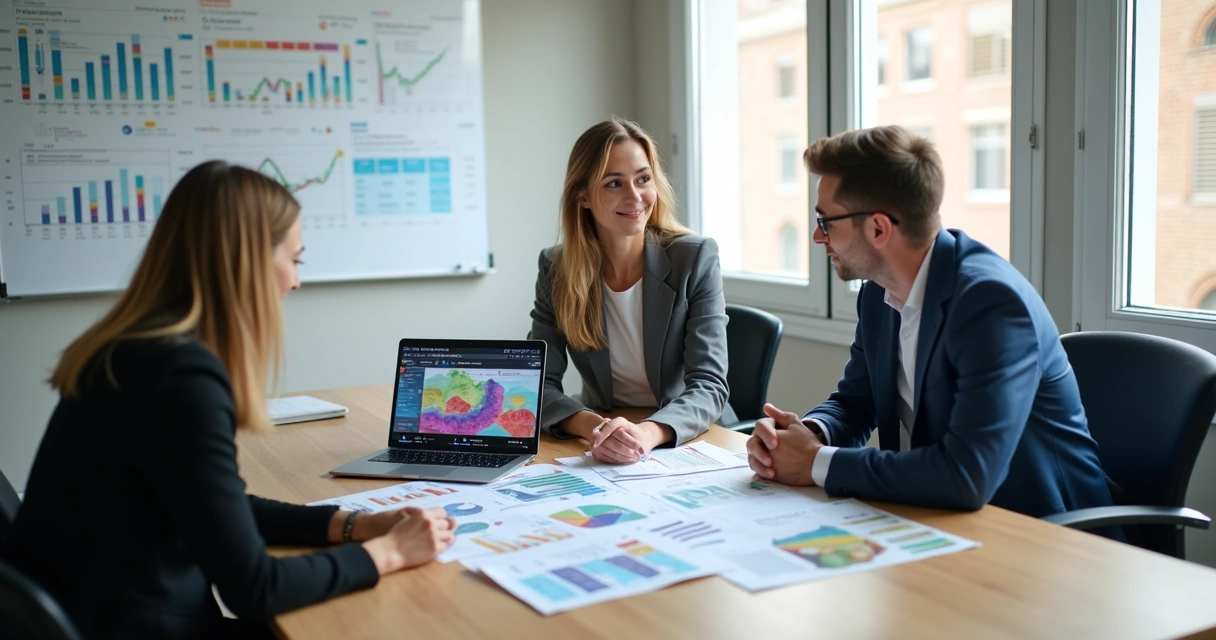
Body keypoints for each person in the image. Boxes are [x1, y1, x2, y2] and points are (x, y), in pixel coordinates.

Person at [8, 161, 456, 639]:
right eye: (295, 259)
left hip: (100, 611)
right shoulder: (181, 379)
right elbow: (254, 589)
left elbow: (221, 508)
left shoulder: (135, 350)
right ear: (249, 261)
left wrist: (354, 525)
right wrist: (389, 553)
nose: (295, 282)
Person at [746, 125, 1117, 520]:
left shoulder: (991, 304)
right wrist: (807, 436)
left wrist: (816, 464)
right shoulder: (878, 292)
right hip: (941, 519)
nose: (820, 239)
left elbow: (967, 475)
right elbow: (857, 403)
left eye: (826, 222)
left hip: (1046, 533)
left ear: (878, 228)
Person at [531, 117, 735, 464]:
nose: (635, 196)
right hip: (604, 432)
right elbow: (537, 384)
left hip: (684, 435)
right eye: (614, 183)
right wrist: (596, 427)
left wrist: (645, 433)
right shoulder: (557, 268)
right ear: (582, 197)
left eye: (643, 179)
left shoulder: (695, 257)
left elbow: (709, 386)